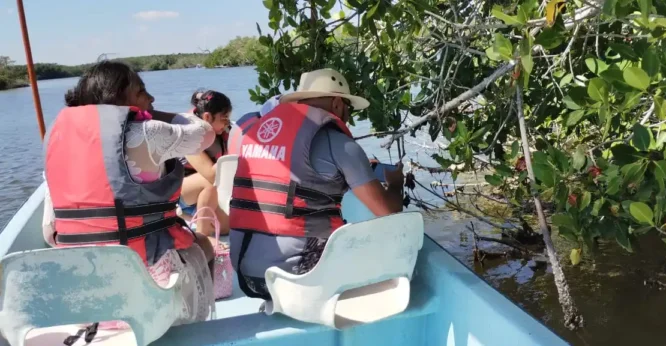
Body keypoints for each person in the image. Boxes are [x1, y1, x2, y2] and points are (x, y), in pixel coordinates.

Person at [41, 61, 216, 329]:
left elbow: (48, 230)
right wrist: (159, 114)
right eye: (142, 91)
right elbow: (205, 134)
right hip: (140, 287)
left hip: (80, 285)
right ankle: (193, 329)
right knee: (204, 244)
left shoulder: (54, 136)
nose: (151, 98)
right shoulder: (148, 131)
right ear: (118, 97)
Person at [228, 68, 405, 300]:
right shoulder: (339, 143)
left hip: (245, 274)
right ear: (337, 103)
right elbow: (388, 211)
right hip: (299, 280)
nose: (348, 116)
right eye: (348, 109)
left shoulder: (255, 131)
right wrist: (395, 184)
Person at [178, 90, 232, 239]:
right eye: (224, 118)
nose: (227, 123)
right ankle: (202, 237)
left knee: (226, 228)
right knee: (211, 183)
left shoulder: (223, 134)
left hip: (208, 192)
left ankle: (193, 217)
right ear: (207, 117)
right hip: (181, 191)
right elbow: (210, 174)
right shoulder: (189, 135)